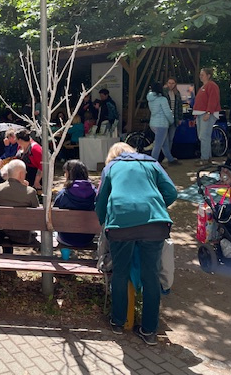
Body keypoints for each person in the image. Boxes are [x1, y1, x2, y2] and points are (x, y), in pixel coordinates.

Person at [96, 142, 177, 345]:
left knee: (120, 273)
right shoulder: (152, 163)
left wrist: (105, 222)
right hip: (154, 224)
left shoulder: (111, 167)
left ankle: (118, 322)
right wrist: (156, 207)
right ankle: (149, 331)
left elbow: (101, 201)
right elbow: (171, 192)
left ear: (112, 156)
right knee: (151, 276)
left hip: (120, 225)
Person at [0, 159, 39, 248]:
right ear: (21, 174)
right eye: (25, 172)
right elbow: (37, 212)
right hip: (23, 236)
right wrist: (25, 186)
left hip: (1, 233)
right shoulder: (30, 192)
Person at [54, 159, 97, 247]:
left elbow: (54, 215)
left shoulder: (64, 194)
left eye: (65, 172)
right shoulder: (95, 193)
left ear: (69, 174)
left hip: (66, 237)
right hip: (87, 238)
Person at [193, 67, 221, 165]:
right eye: (200, 75)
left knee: (204, 136)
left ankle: (204, 158)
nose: (200, 76)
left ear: (208, 76)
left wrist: (209, 112)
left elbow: (213, 99)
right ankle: (207, 157)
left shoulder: (212, 86)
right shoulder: (203, 87)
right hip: (200, 114)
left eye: (202, 75)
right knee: (203, 136)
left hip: (206, 113)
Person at [147, 82, 178, 166]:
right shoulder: (162, 99)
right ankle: (153, 164)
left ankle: (170, 159)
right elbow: (167, 113)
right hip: (162, 124)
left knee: (164, 143)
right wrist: (171, 121)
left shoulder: (150, 99)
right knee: (158, 145)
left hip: (153, 123)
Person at [163, 77, 183, 152]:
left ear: (175, 84)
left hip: (174, 118)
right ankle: (165, 154)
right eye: (169, 83)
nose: (171, 85)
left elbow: (179, 106)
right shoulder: (164, 93)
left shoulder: (177, 93)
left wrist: (180, 118)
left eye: (172, 83)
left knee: (171, 138)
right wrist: (165, 89)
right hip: (165, 118)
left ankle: (168, 154)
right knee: (165, 138)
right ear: (166, 83)